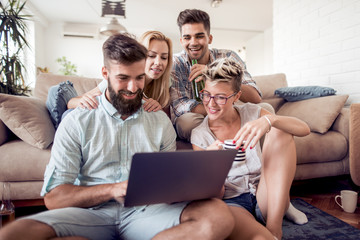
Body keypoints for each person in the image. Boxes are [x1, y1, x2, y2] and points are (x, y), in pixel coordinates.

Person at [0, 33, 234, 240]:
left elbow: (169, 186)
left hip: (148, 213)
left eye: (140, 77)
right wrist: (113, 189)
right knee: (14, 233)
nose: (133, 88)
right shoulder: (77, 121)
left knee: (218, 216)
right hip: (90, 215)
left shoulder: (159, 120)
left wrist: (197, 180)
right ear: (105, 73)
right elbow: (54, 198)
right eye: (123, 78)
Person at [191, 58, 311, 239]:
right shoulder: (200, 135)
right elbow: (214, 195)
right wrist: (212, 163)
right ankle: (278, 215)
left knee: (280, 130)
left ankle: (275, 226)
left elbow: (304, 129)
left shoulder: (251, 112)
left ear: (236, 97)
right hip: (233, 202)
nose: (211, 103)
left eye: (221, 97)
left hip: (265, 192)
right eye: (206, 94)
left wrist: (270, 120)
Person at [47, 30, 173, 128]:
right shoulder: (115, 82)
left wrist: (157, 107)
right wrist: (84, 101)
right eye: (151, 56)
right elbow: (71, 103)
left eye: (164, 57)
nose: (158, 62)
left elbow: (166, 124)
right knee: (59, 98)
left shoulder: (163, 87)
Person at [170, 8, 262, 141]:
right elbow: (180, 106)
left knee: (266, 109)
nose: (193, 42)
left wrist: (214, 72)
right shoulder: (176, 63)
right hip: (201, 116)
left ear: (210, 38)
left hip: (231, 112)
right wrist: (217, 109)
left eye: (199, 36)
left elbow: (256, 97)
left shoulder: (228, 56)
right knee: (187, 123)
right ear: (181, 41)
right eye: (187, 37)